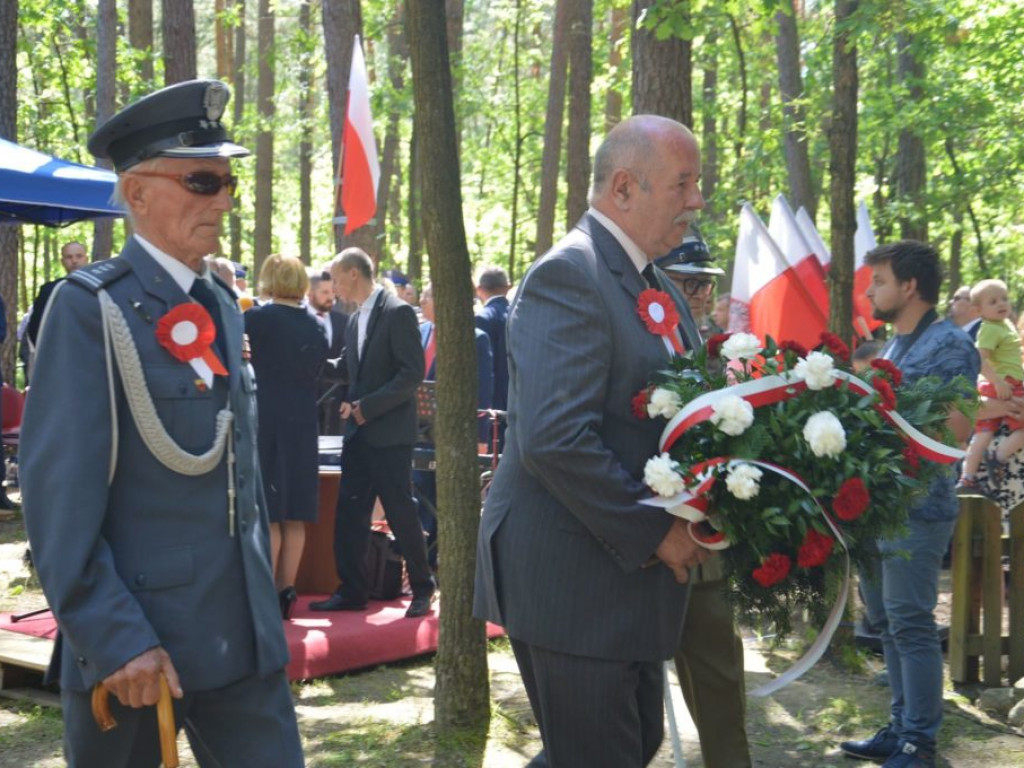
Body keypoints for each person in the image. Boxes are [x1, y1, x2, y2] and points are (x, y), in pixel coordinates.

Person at [20, 79, 304, 767]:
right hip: (138, 647)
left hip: (240, 635)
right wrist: (114, 637)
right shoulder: (90, 311)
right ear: (138, 193)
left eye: (228, 183)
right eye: (202, 181)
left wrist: (264, 610)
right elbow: (58, 501)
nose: (224, 201)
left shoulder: (220, 301)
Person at [474, 114, 710, 768]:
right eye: (684, 184)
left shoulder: (654, 281)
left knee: (630, 745)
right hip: (573, 582)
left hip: (619, 582)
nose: (697, 201)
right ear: (625, 188)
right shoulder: (570, 275)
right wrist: (655, 531)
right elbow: (554, 438)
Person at [841, 240, 978, 768]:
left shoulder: (949, 345)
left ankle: (919, 741)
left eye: (878, 281)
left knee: (911, 622)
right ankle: (900, 729)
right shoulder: (891, 346)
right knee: (886, 623)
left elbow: (956, 430)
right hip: (880, 507)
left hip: (919, 509)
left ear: (909, 287)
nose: (870, 291)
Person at [658, 233, 751, 767]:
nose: (697, 293)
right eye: (686, 281)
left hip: (705, 543)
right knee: (624, 707)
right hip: (638, 542)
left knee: (720, 686)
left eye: (705, 282)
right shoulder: (634, 336)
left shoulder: (719, 353)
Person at [310, 247, 435, 618]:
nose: (332, 287)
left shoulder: (396, 312)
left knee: (400, 512)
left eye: (334, 277)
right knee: (350, 513)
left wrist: (367, 408)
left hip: (389, 435)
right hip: (359, 436)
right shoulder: (353, 318)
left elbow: (411, 374)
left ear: (352, 273)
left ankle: (423, 588)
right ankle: (352, 589)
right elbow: (350, 366)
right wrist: (309, 358)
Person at [245, 254, 328, 619]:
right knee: (295, 513)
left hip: (266, 421)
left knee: (271, 515)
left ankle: (263, 593)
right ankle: (287, 589)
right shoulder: (315, 326)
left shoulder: (254, 320)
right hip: (303, 424)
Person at [415, 282, 494, 567]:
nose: (421, 301)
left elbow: (483, 392)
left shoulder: (474, 338)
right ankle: (423, 559)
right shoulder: (419, 332)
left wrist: (480, 438)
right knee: (419, 495)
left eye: (426, 296)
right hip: (418, 434)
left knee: (445, 500)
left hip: (455, 438)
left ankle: (442, 562)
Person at [958, 279, 1024, 490]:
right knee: (983, 433)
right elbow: (969, 409)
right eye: (993, 301)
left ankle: (968, 475)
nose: (1001, 304)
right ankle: (984, 465)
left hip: (1010, 481)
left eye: (1004, 299)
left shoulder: (1003, 330)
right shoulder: (993, 331)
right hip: (997, 481)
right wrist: (997, 384)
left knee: (982, 434)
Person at [655, 223, 725, 338]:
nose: (701, 296)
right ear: (661, 280)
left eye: (705, 284)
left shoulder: (699, 337)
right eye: (691, 284)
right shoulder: (643, 334)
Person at [24, 240, 89, 363]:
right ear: (62, 261)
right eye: (69, 257)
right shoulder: (49, 291)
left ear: (86, 258)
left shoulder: (99, 289)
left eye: (79, 256)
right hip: (59, 358)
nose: (74, 261)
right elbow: (35, 327)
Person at [307, 268, 349, 435]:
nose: (331, 297)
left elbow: (350, 362)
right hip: (307, 401)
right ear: (310, 293)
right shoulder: (299, 320)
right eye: (324, 292)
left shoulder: (344, 321)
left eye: (332, 291)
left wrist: (348, 397)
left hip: (335, 403)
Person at [473, 265, 511, 415]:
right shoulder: (520, 315)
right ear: (508, 287)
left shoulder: (482, 319)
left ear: (479, 289)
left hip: (493, 404)